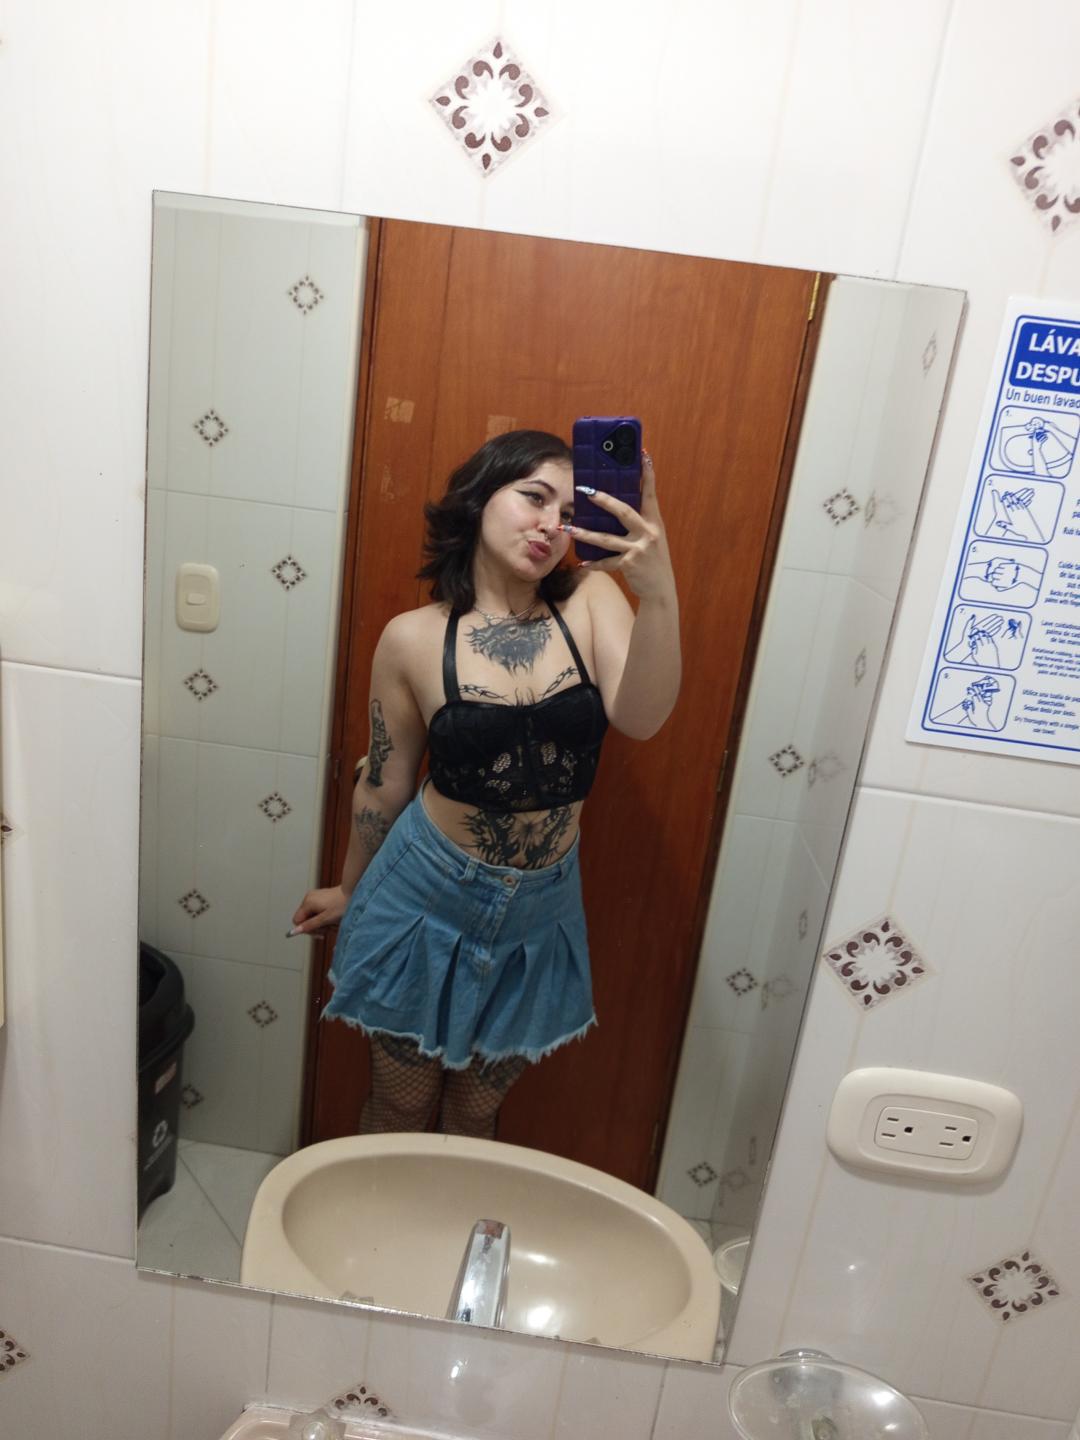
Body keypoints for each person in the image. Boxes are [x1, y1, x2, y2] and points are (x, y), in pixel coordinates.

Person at [292, 429, 680, 1138]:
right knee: (402, 1107)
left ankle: (453, 1214)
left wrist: (658, 594)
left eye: (568, 513)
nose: (551, 524)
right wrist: (349, 888)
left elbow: (643, 717)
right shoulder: (412, 637)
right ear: (479, 498)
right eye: (534, 497)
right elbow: (384, 781)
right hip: (425, 894)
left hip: (541, 909)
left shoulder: (591, 599)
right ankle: (382, 1211)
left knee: (476, 1112)